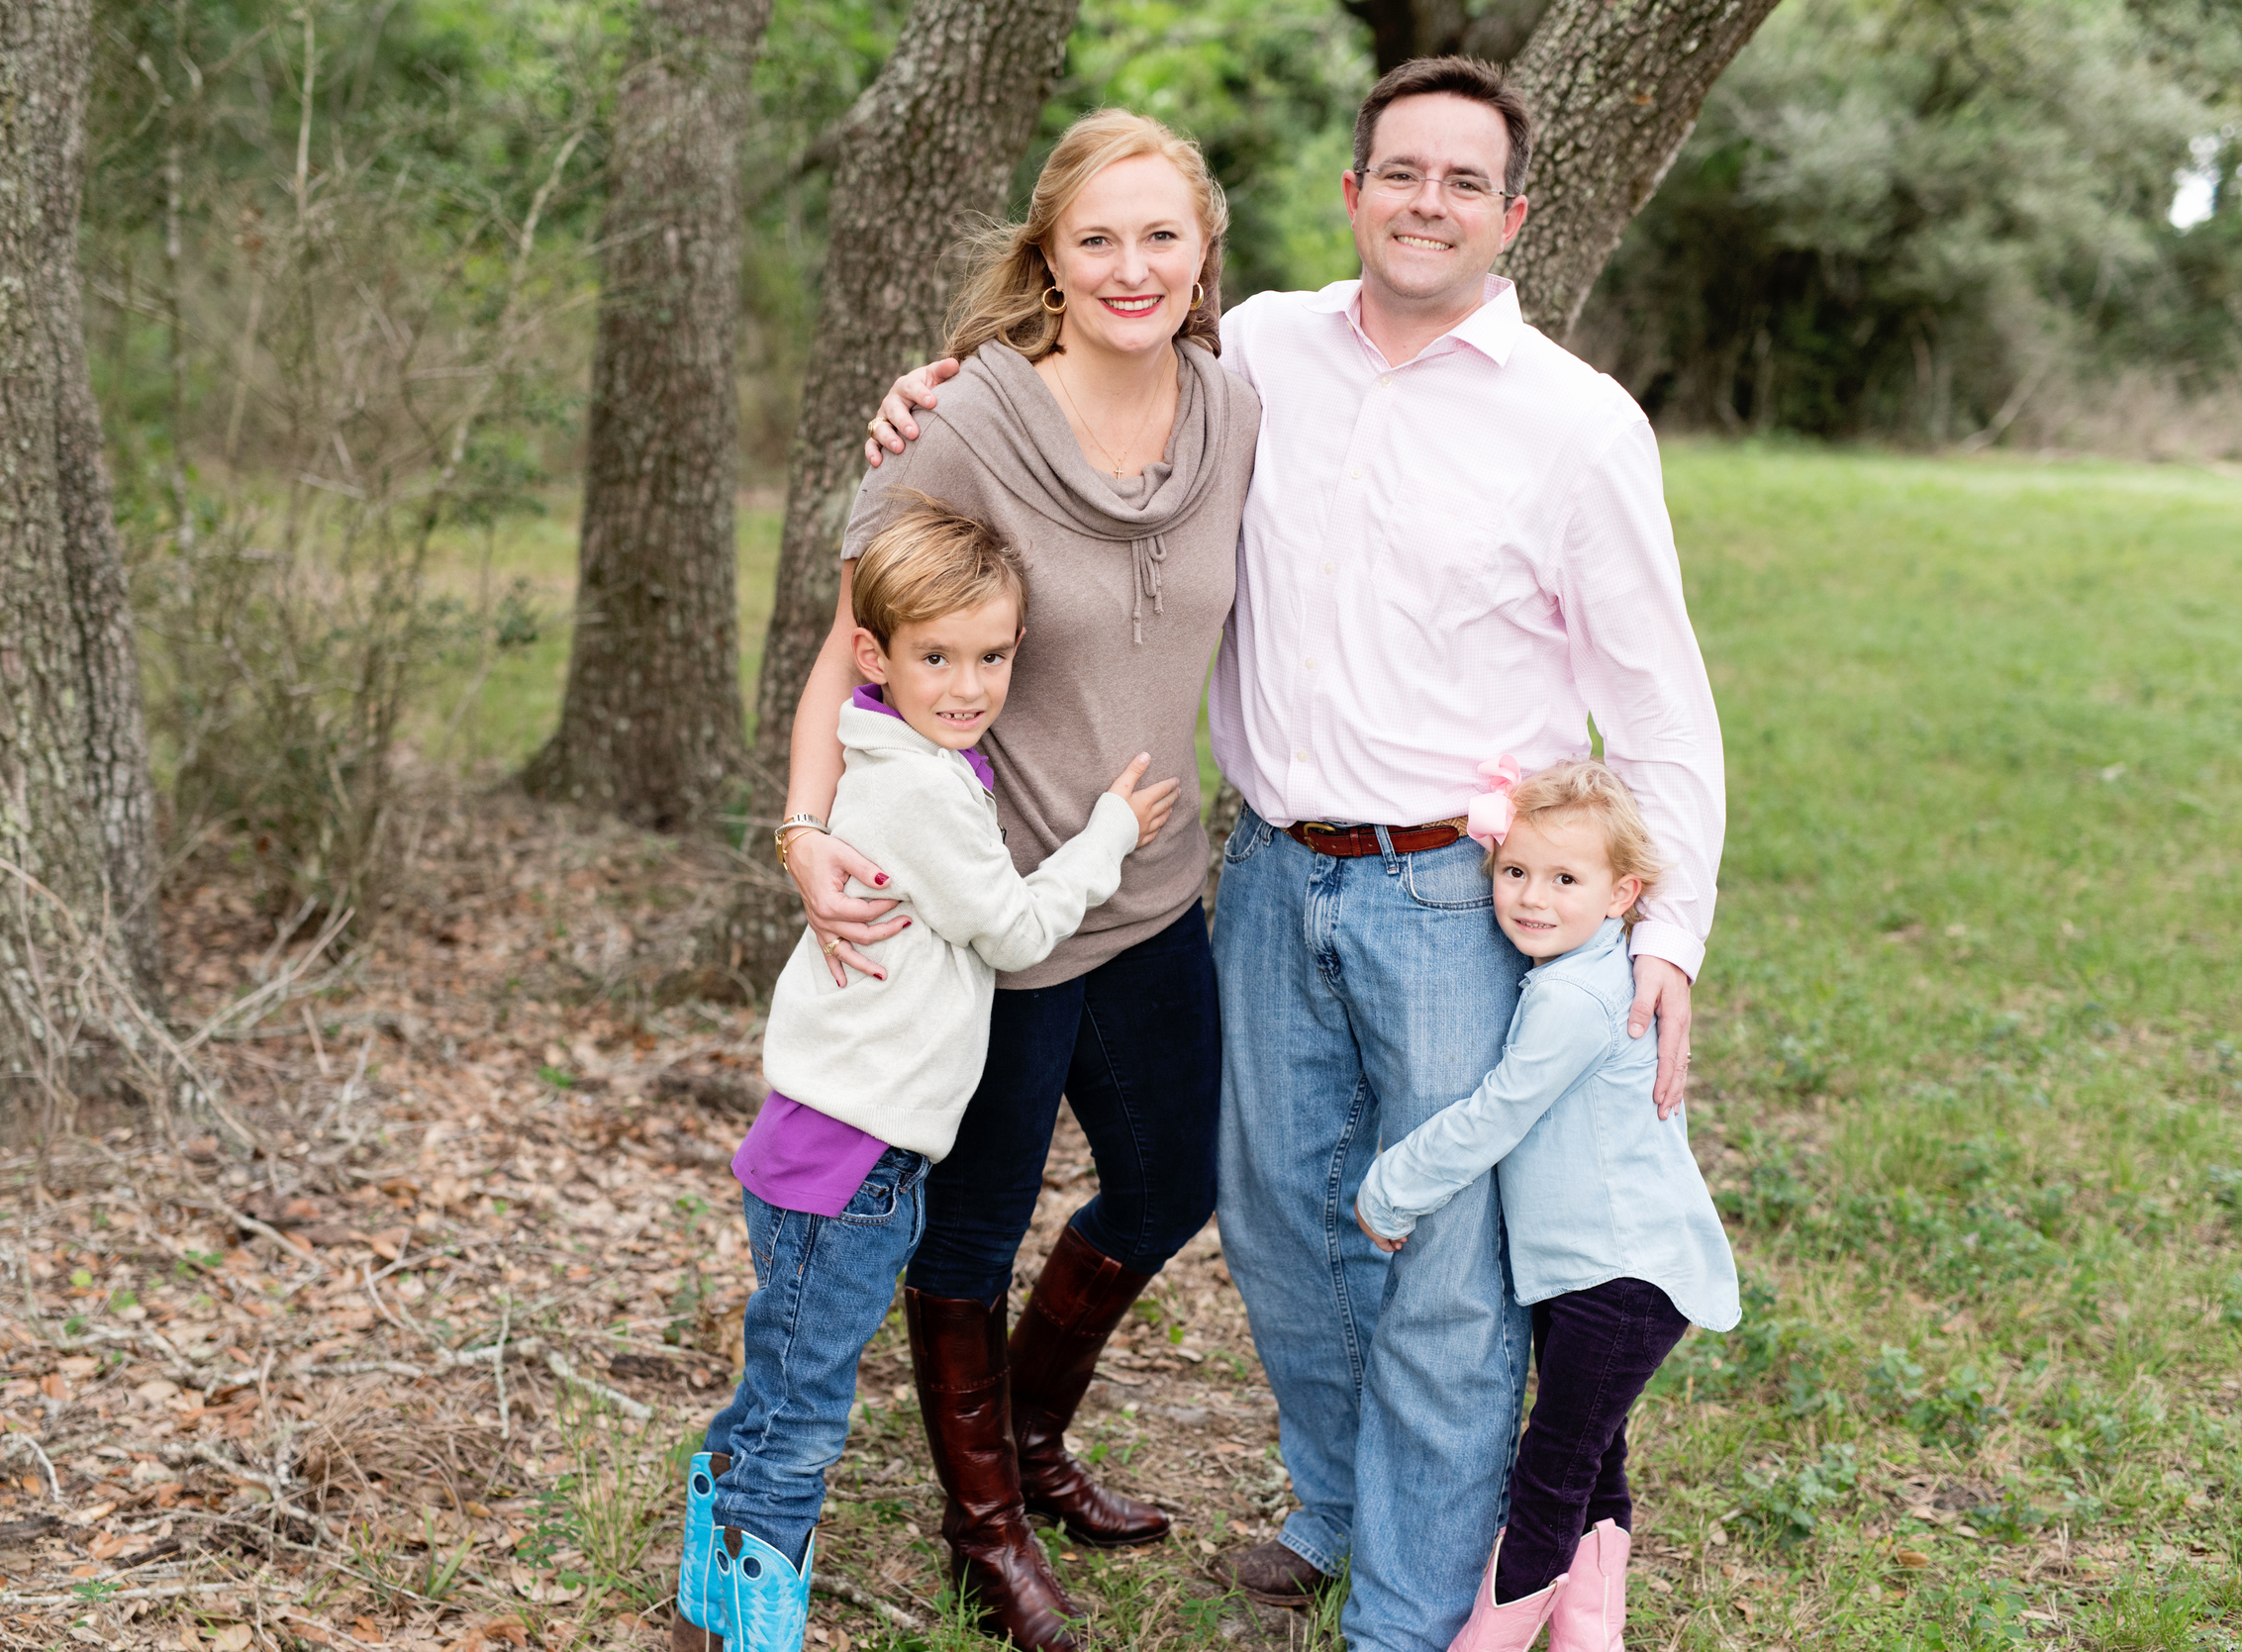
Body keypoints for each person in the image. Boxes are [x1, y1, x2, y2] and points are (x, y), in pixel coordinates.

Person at [866, 56, 1725, 1652]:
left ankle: (1404, 1607)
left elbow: (1662, 708)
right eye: (1401, 171)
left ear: (1513, 213)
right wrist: (933, 392)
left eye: (1465, 182)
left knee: (1451, 1263)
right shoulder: (1256, 350)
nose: (1427, 203)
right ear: (1351, 193)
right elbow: (1077, 386)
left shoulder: (1577, 424)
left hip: (1459, 897)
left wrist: (1664, 936)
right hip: (1264, 869)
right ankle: (1336, 1506)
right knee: (1281, 1224)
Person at [774, 110, 1261, 1650]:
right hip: (989, 927)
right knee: (971, 1236)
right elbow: (847, 643)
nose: (1132, 266)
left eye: (1161, 236)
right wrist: (801, 833)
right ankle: (982, 1526)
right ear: (1048, 252)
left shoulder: (1239, 409)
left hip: (1151, 890)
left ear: (1203, 255)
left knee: (1177, 1177)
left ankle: (1033, 1439)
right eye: (1098, 236)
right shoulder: (968, 420)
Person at [678, 500, 1175, 1652]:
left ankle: (712, 1584)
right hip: (847, 1163)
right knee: (804, 1412)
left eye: (991, 656)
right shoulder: (913, 785)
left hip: (835, 1148)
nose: (968, 684)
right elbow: (1011, 931)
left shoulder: (905, 748)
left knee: (783, 1383)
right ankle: (751, 1626)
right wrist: (1104, 835)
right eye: (936, 657)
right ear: (874, 656)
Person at [1349, 760, 1739, 1652]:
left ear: (1622, 894)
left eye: (1566, 879)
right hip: (1588, 1273)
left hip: (1623, 1278)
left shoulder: (1575, 997)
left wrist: (1392, 1185)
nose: (1531, 897)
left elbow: (1497, 1112)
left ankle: (1484, 1640)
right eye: (1515, 871)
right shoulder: (1577, 970)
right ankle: (1589, 1638)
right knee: (1596, 1465)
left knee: (1550, 1477)